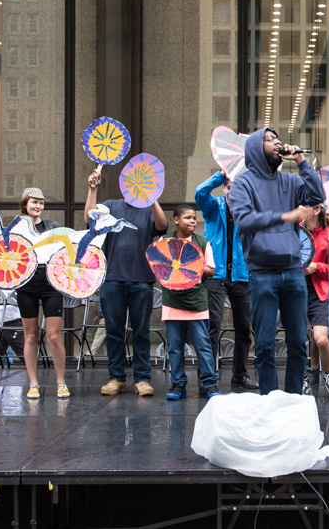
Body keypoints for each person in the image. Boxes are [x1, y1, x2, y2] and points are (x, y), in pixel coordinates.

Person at [229, 127, 325, 395]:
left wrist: (302, 162)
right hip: (262, 273)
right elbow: (244, 220)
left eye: (278, 139)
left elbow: (317, 198)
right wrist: (284, 216)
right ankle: (269, 399)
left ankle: (294, 398)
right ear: (255, 149)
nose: (277, 142)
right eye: (269, 139)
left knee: (297, 342)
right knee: (265, 344)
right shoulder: (243, 184)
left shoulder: (291, 182)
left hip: (294, 271)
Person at [85, 170, 167, 397]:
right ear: (123, 184)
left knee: (141, 331)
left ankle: (142, 379)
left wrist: (153, 198)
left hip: (142, 279)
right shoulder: (111, 205)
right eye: (129, 180)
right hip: (112, 279)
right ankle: (116, 378)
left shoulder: (148, 208)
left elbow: (162, 227)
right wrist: (93, 189)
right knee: (113, 331)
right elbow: (90, 218)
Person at [194, 169, 258, 391]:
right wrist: (221, 175)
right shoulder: (213, 208)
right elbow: (199, 192)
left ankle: (239, 376)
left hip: (241, 275)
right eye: (229, 187)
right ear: (224, 187)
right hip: (216, 275)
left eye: (237, 188)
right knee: (212, 327)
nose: (232, 191)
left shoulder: (247, 210)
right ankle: (208, 379)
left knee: (244, 328)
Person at [161, 205, 221, 400]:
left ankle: (209, 383)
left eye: (194, 218)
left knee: (203, 345)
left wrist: (190, 266)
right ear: (176, 220)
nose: (192, 221)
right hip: (172, 301)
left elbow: (211, 270)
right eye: (187, 218)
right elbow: (159, 266)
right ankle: (178, 384)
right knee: (175, 347)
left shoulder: (203, 243)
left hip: (196, 302)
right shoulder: (165, 241)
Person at [14, 188, 69, 399]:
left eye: (41, 203)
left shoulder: (52, 226)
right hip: (26, 286)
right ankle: (33, 383)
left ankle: (61, 382)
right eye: (34, 202)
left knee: (54, 336)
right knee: (31, 336)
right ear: (25, 204)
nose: (38, 206)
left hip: (51, 286)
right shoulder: (16, 228)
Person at [302, 205, 329, 400]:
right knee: (297, 340)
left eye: (305, 205)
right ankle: (301, 379)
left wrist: (316, 267)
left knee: (321, 339)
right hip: (294, 291)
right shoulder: (294, 231)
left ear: (317, 209)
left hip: (318, 294)